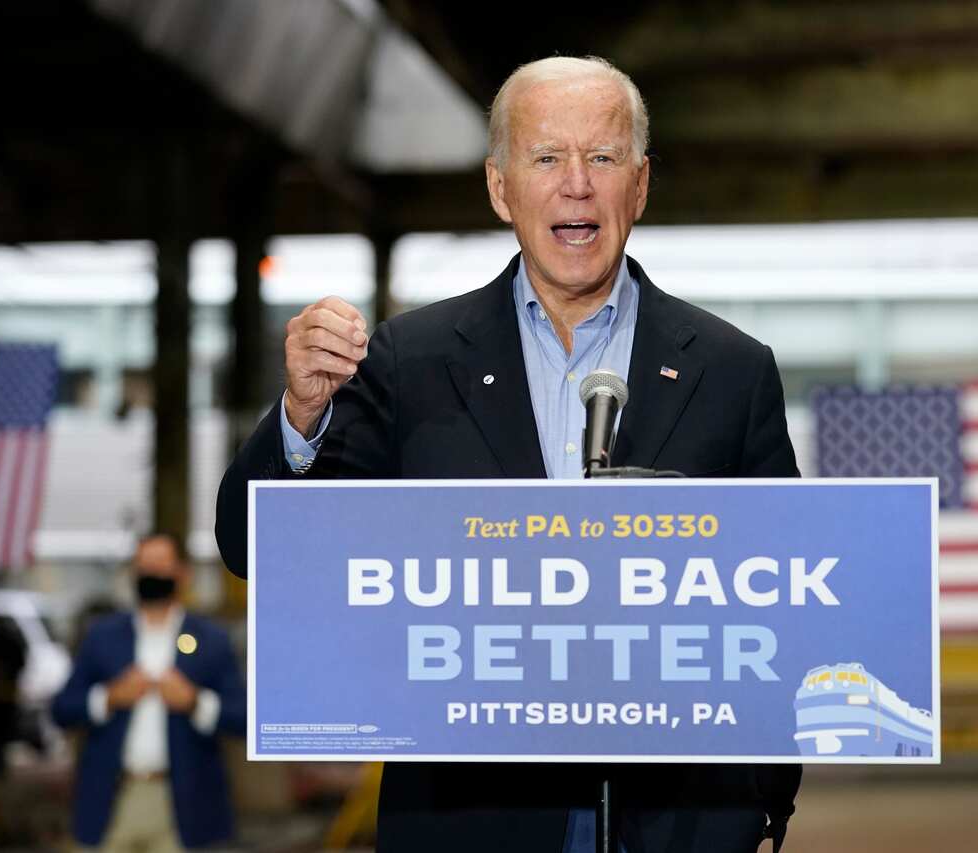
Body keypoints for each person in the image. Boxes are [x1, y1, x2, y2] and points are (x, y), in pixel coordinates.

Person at [216, 55, 800, 853]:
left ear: (641, 184)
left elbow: (790, 605)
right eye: (547, 158)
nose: (577, 184)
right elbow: (252, 548)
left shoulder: (733, 370)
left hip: (677, 823)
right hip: (468, 819)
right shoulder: (408, 362)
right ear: (500, 187)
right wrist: (302, 414)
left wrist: (762, 804)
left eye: (602, 157)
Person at [51, 534, 245, 852]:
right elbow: (62, 709)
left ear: (183, 573)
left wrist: (195, 702)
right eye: (145, 566)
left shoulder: (211, 639)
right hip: (112, 796)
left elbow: (244, 718)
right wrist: (109, 697)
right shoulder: (103, 636)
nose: (152, 574)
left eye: (161, 565)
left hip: (184, 801)